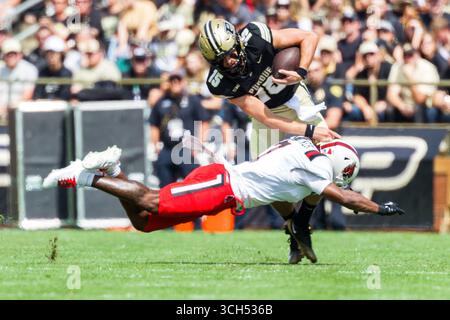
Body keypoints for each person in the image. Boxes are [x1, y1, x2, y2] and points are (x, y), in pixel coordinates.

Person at [42, 136, 405, 263]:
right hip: (222, 184)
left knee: (145, 222)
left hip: (224, 190)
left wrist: (295, 230)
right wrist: (380, 207)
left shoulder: (307, 157)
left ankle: (114, 170)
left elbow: (282, 197)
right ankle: (86, 176)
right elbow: (347, 199)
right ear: (342, 165)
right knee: (152, 201)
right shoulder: (322, 168)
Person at [198, 18, 340, 264]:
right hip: (267, 114)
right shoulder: (219, 81)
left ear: (238, 43)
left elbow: (309, 37)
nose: (229, 62)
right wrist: (307, 131)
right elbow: (266, 116)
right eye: (220, 60)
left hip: (295, 99)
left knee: (329, 162)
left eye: (230, 54)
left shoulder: (256, 36)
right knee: (265, 178)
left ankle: (301, 221)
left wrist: (301, 72)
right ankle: (294, 228)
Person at [149, 71, 211, 188]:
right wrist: (155, 145)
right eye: (172, 80)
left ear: (184, 82)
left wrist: (200, 144)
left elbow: (204, 121)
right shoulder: (161, 101)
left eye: (178, 80)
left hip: (187, 149)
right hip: (167, 148)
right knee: (165, 187)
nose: (175, 83)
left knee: (193, 185)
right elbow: (154, 124)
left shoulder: (192, 100)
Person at [33, 35, 72, 100]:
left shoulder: (67, 73)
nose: (51, 56)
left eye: (54, 53)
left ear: (61, 54)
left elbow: (64, 96)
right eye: (48, 53)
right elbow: (37, 94)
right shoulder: (42, 72)